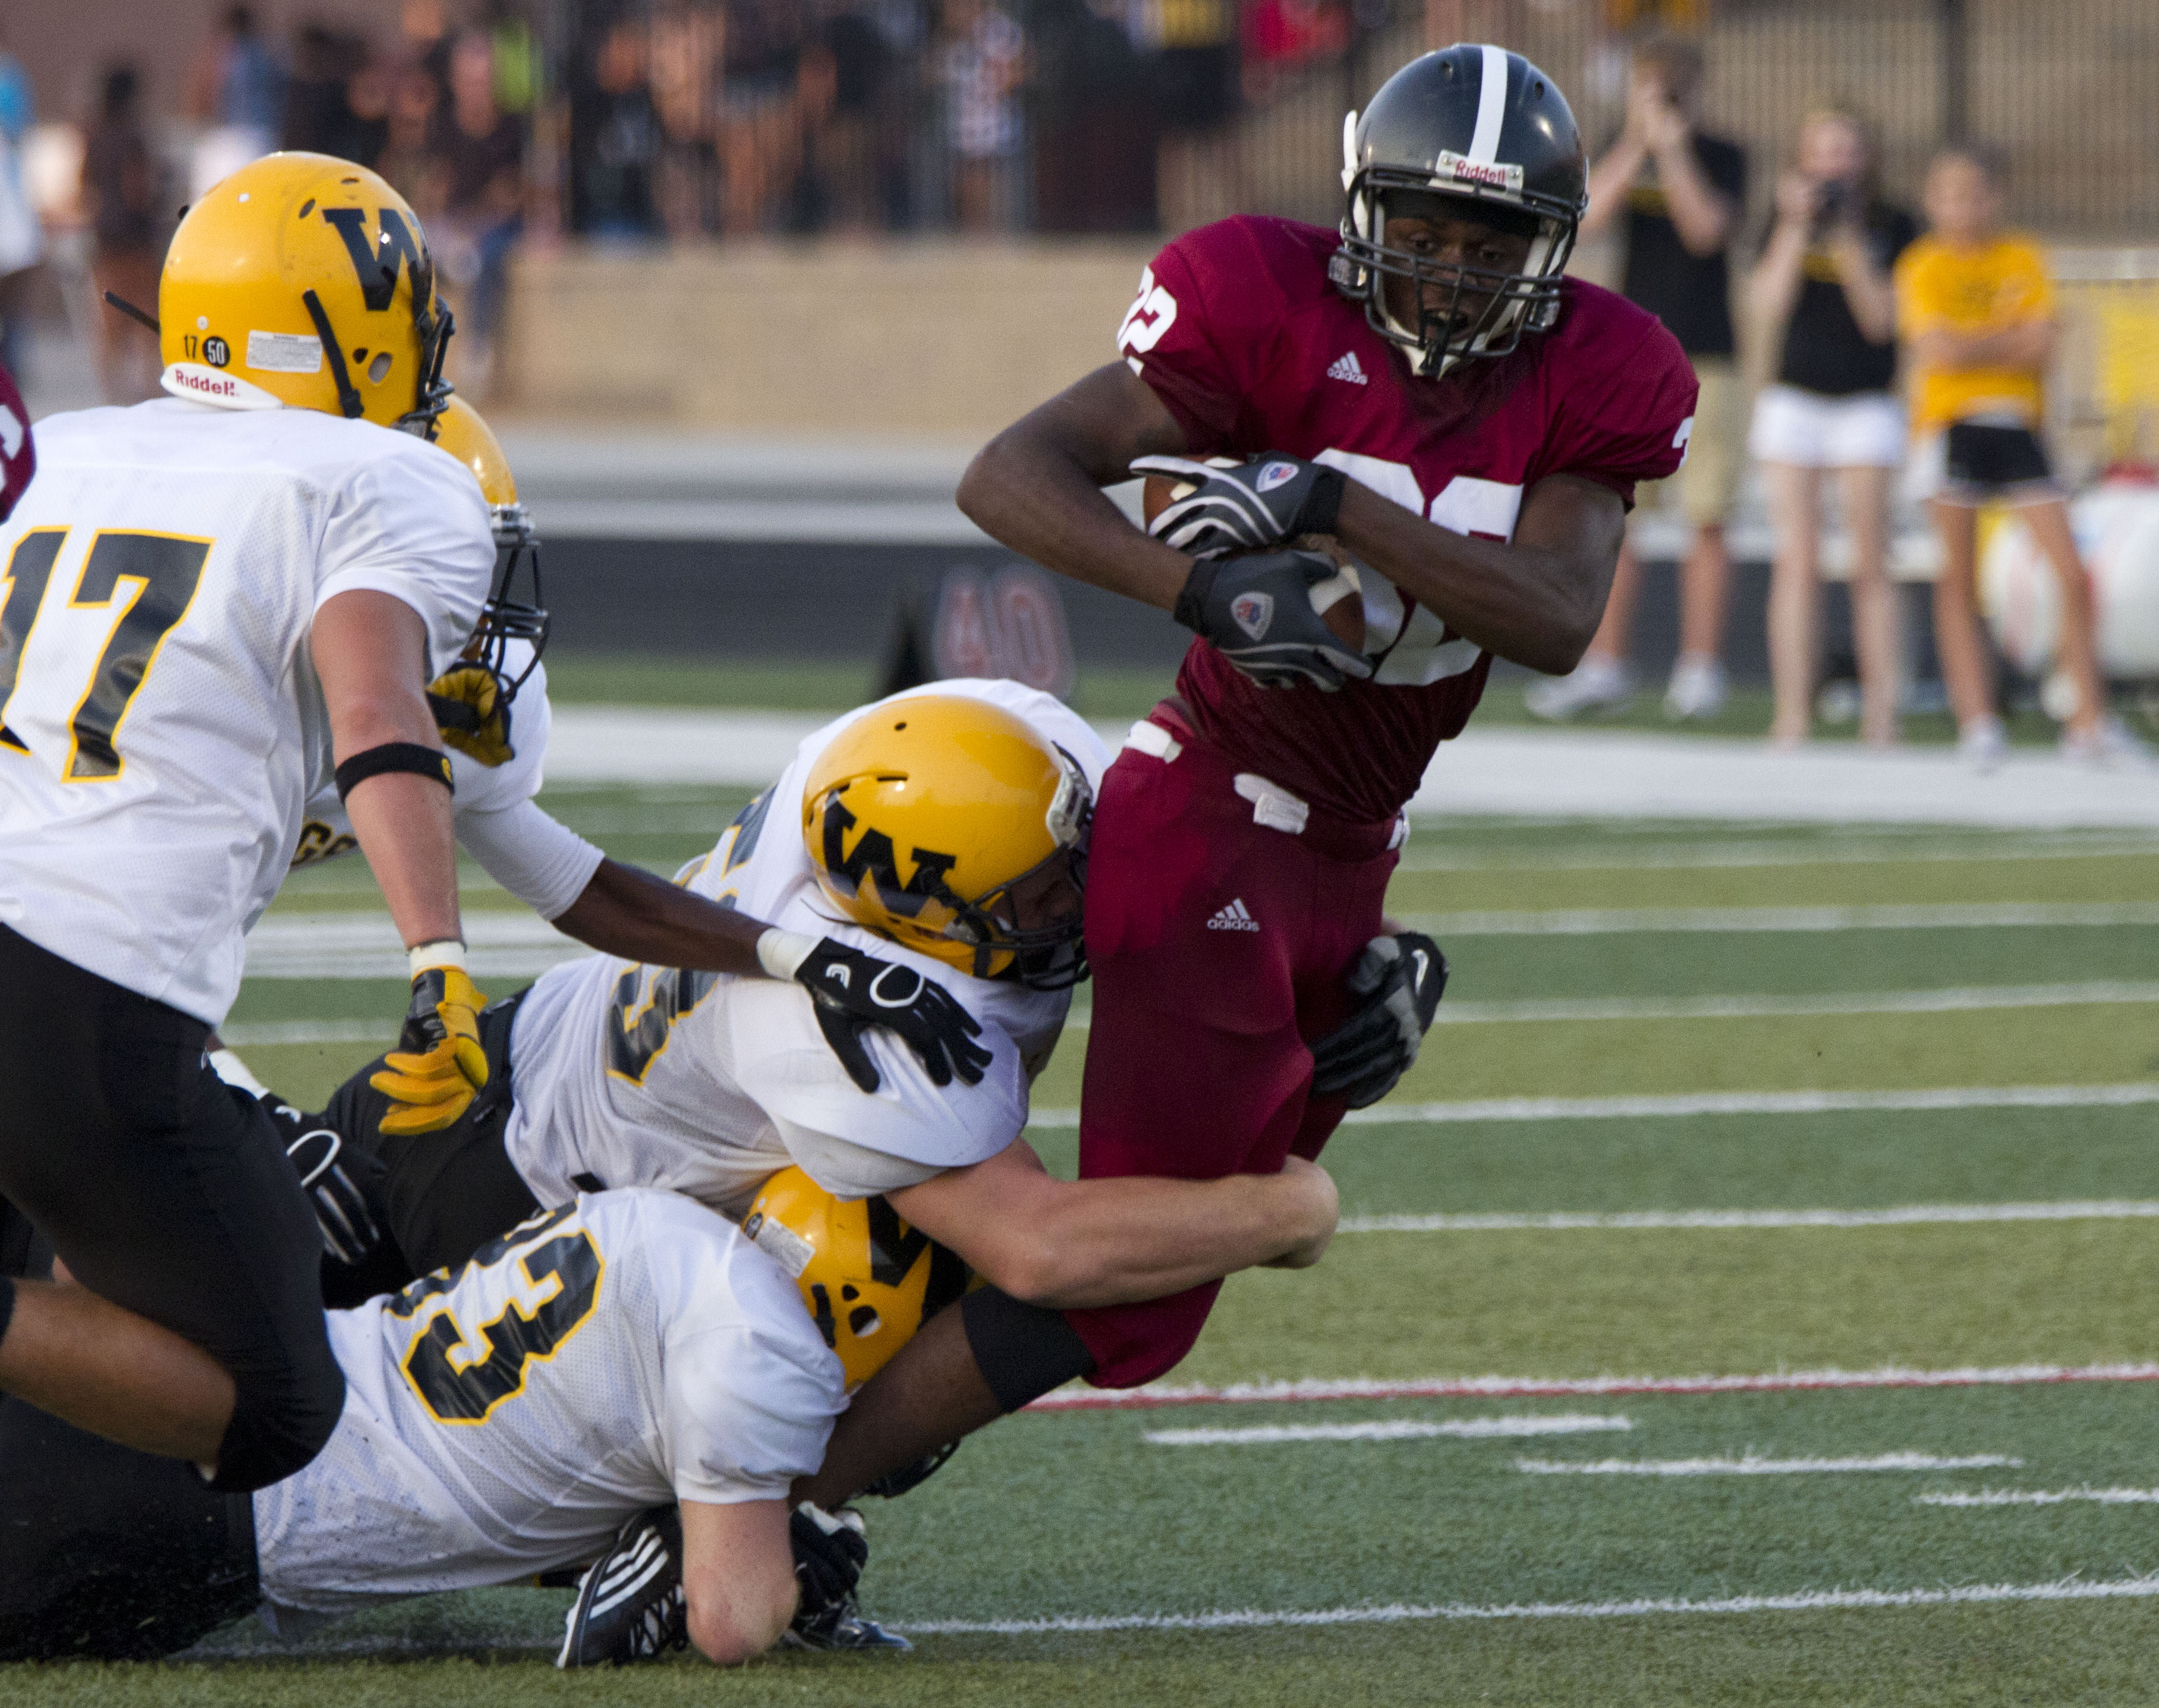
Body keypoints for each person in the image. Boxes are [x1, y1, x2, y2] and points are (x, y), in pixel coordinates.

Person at [792, 40, 1692, 1597]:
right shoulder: (1261, 297)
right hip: (1210, 821)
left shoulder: (1601, 375)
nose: (1452, 270)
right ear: (1362, 210)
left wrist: (1332, 503)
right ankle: (762, 1512)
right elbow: (1009, 474)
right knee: (1134, 1290)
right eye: (1422, 229)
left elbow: (1552, 613)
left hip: (1342, 857)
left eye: (1489, 244)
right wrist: (1205, 583)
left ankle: (795, 1456)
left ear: (1549, 254)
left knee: (1179, 1244)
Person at [0, 1175, 920, 1666]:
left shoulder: (666, 1221)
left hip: (236, 1366)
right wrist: (786, 1556)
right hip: (218, 1511)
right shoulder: (766, 1349)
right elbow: (731, 1620)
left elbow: (554, 1458)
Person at [1896, 143, 2145, 768]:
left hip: (2016, 424)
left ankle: (2086, 719)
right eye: (1950, 193)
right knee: (1956, 578)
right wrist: (2001, 341)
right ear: (1932, 201)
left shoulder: (2021, 256)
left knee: (2070, 569)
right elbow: (1937, 352)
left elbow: (2038, 346)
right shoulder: (1922, 264)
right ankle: (1976, 720)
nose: (1964, 206)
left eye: (1975, 193)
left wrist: (1978, 343)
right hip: (1951, 422)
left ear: (1994, 197)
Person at [1527, 32, 1742, 722]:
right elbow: (1585, 222)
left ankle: (1699, 668)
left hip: (1707, 355)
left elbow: (1703, 229)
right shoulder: (1619, 149)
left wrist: (1673, 147)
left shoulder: (1721, 155)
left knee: (1705, 517)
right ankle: (1603, 663)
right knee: (1615, 515)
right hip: (1632, 357)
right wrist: (1636, 141)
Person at [1745, 106, 1915, 747]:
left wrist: (1845, 237)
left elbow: (1881, 320)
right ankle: (1792, 712)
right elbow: (1765, 304)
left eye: (1845, 151)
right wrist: (1794, 225)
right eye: (1821, 151)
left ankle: (1881, 714)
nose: (1833, 165)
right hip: (1795, 400)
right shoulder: (1784, 213)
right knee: (1797, 559)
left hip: (1865, 403)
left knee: (1871, 560)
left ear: (1864, 157)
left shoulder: (1891, 222)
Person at [80, 64, 165, 403]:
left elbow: (84, 184)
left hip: (105, 242)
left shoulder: (94, 134)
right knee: (148, 319)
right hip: (137, 241)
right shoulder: (134, 136)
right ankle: (149, 392)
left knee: (110, 323)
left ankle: (112, 395)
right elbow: (137, 188)